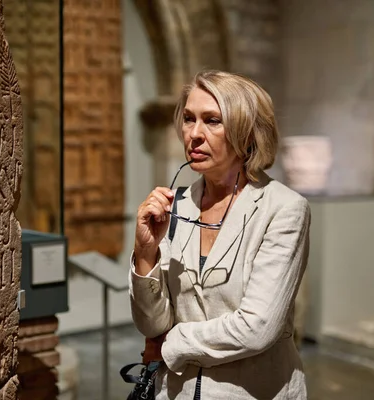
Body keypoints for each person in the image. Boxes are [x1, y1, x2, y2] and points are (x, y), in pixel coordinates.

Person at [129, 70, 310, 399]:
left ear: (245, 131)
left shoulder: (283, 209)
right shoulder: (175, 206)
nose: (194, 134)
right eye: (188, 118)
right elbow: (151, 325)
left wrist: (171, 344)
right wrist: (145, 254)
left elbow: (257, 328)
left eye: (212, 120)